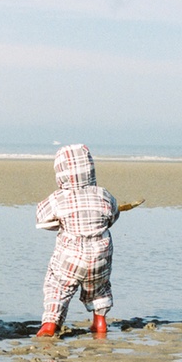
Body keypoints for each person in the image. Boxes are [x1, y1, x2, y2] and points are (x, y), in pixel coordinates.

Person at [35, 144, 119, 337]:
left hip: (71, 255)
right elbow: (113, 217)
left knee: (57, 285)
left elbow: (41, 219)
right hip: (100, 254)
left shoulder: (59, 198)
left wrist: (60, 224)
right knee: (99, 287)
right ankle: (100, 323)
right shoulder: (103, 194)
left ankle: (50, 324)